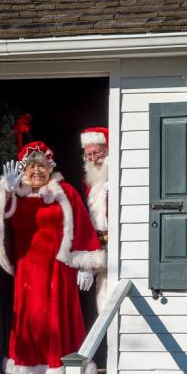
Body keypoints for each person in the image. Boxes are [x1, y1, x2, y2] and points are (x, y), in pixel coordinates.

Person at [0, 141, 106, 374]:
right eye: (31, 166)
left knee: (59, 316)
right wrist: (7, 191)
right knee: (30, 315)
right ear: (23, 169)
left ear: (50, 168)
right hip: (28, 269)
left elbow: (82, 226)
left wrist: (85, 264)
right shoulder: (16, 193)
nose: (36, 171)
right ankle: (30, 365)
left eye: (42, 166)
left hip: (58, 269)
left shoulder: (64, 193)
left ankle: (62, 366)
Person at [80, 127, 110, 308]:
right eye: (88, 155)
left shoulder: (113, 181)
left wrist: (90, 264)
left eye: (97, 153)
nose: (92, 159)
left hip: (113, 254)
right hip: (100, 254)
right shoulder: (92, 183)